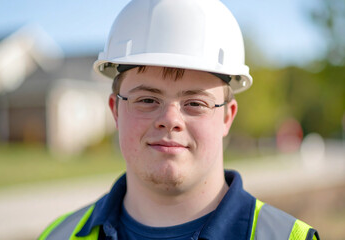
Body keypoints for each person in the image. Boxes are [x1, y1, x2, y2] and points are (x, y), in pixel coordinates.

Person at [39, 0, 319, 239]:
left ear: (227, 116)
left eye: (195, 103)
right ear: (115, 111)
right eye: (147, 100)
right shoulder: (59, 235)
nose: (170, 119)